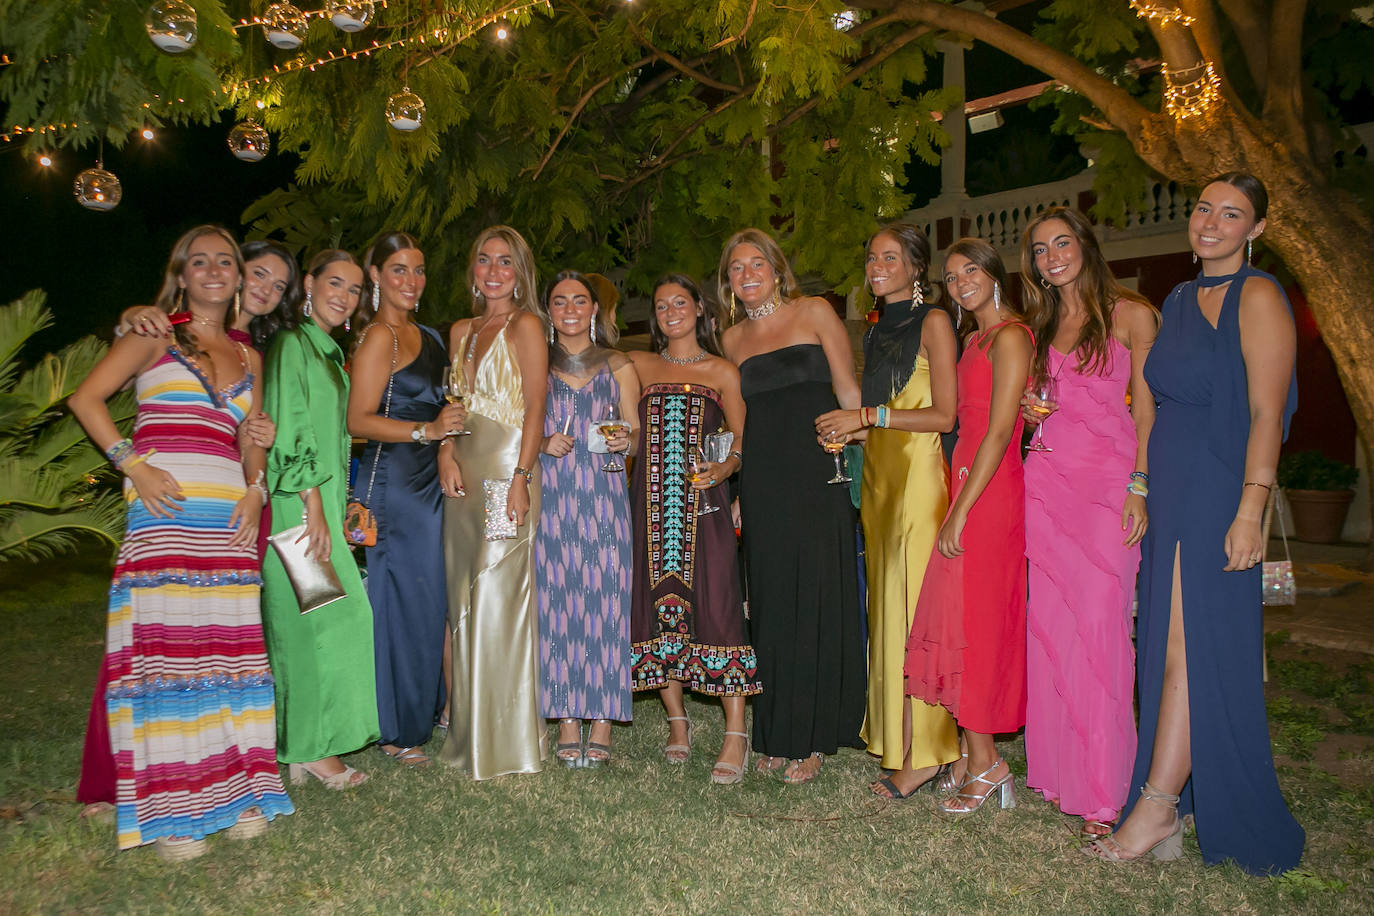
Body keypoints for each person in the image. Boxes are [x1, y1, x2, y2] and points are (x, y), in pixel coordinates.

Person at [1085, 174, 1304, 873]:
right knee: (1166, 647)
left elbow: (1269, 413)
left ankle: (1157, 804)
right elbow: (1148, 406)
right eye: (1205, 207)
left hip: (1219, 487)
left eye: (1231, 213)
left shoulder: (1260, 295)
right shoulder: (1178, 298)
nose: (1211, 222)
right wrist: (1140, 486)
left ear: (1256, 229)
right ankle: (1166, 805)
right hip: (1172, 489)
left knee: (1192, 648)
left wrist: (1251, 507)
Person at [67, 225, 292, 859]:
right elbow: (86, 398)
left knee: (226, 660)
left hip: (228, 521)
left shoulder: (251, 356)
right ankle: (172, 816)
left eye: (226, 261)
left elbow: (251, 437)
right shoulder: (154, 333)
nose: (216, 270)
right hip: (165, 516)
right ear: (183, 273)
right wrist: (130, 462)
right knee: (169, 665)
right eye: (202, 262)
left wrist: (255, 487)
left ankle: (236, 793)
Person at [1017, 207, 1158, 838]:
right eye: (1041, 250)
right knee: (1052, 632)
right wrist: (1029, 409)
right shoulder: (1043, 324)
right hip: (1045, 487)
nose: (1052, 257)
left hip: (1107, 493)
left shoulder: (1131, 316)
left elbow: (1152, 413)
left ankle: (1107, 793)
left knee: (1101, 633)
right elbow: (1039, 413)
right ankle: (1062, 776)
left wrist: (1140, 484)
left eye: (1062, 243)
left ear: (1085, 244)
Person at [814, 223, 961, 798]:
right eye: (872, 256)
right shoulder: (877, 330)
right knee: (887, 613)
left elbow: (945, 415)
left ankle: (927, 751)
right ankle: (900, 741)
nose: (878, 266)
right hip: (878, 480)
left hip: (920, 482)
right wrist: (854, 434)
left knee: (916, 615)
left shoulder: (935, 322)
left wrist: (866, 420)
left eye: (891, 257)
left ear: (916, 266)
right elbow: (884, 409)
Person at [719, 229, 865, 785]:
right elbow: (739, 425)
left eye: (758, 263)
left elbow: (848, 394)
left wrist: (867, 449)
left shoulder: (816, 311)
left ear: (777, 269)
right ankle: (777, 732)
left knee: (818, 592)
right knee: (774, 602)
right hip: (763, 482)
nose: (748, 273)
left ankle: (813, 736)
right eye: (737, 268)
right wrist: (735, 492)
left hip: (818, 471)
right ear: (728, 282)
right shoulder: (731, 340)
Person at [903, 237, 1032, 816]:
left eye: (970, 271)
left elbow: (1000, 432)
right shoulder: (973, 339)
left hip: (990, 492)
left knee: (975, 626)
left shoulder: (1010, 336)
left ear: (995, 273)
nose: (959, 283)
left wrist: (960, 509)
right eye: (951, 278)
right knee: (958, 621)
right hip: (966, 483)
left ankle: (988, 764)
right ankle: (973, 755)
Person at [628, 274, 761, 784]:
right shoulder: (637, 365)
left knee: (720, 607)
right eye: (661, 304)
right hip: (651, 507)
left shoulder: (722, 371)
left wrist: (729, 470)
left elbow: (744, 439)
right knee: (658, 605)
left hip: (705, 509)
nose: (669, 311)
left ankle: (735, 731)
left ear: (699, 308)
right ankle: (677, 723)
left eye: (679, 302)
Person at [261, 249, 379, 789]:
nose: (344, 296)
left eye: (354, 289)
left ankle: (306, 743)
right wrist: (312, 506)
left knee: (323, 622)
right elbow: (292, 427)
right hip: (298, 504)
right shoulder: (291, 344)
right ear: (309, 284)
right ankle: (309, 748)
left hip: (321, 505)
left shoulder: (327, 351)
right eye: (336, 283)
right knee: (323, 622)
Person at [346, 232, 463, 769]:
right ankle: (396, 728)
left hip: (429, 480)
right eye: (398, 270)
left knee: (432, 600)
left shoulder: (431, 337)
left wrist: (445, 448)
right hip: (391, 481)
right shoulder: (378, 338)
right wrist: (426, 434)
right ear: (375, 276)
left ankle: (428, 706)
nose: (411, 282)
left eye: (418, 270)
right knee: (402, 602)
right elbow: (358, 420)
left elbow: (450, 406)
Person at [437, 225, 549, 779]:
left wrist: (523, 475)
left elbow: (534, 409)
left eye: (506, 261)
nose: (494, 270)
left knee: (500, 595)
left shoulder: (528, 325)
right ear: (474, 269)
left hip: (508, 470)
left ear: (520, 271)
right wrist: (445, 455)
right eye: (485, 260)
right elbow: (454, 404)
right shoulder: (461, 329)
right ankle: (465, 732)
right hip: (463, 473)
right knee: (462, 597)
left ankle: (505, 743)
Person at [535, 271, 639, 767]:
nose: (570, 309)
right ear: (548, 310)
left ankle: (600, 718)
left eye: (580, 301)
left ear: (595, 309)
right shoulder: (535, 362)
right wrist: (540, 442)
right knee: (556, 598)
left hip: (603, 493)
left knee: (605, 596)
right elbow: (515, 424)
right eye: (560, 301)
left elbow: (637, 432)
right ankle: (566, 717)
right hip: (553, 496)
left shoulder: (618, 363)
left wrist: (627, 441)